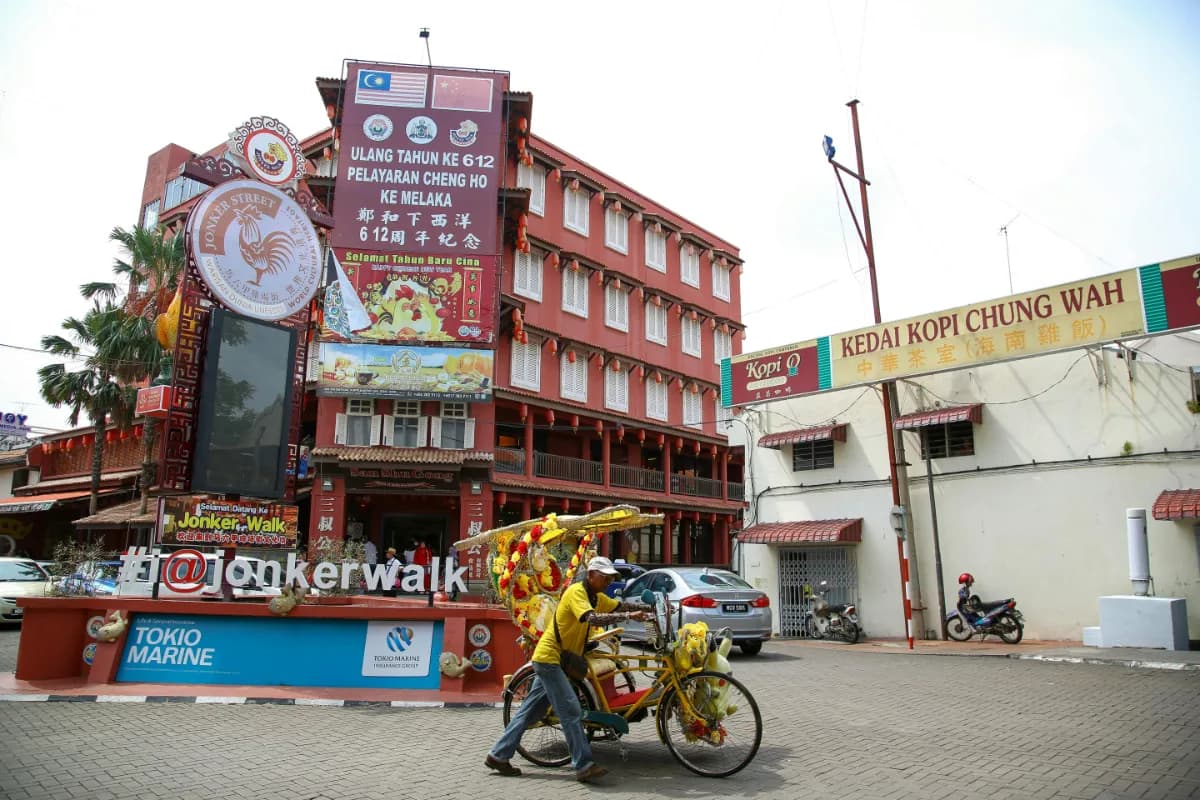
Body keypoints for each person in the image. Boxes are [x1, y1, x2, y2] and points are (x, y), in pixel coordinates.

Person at [485, 556, 652, 784]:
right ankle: (583, 765)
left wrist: (645, 608)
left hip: (560, 660)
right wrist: (628, 616)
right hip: (550, 659)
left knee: (530, 713)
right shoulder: (577, 593)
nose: (608, 582)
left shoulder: (595, 596)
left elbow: (618, 605)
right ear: (591, 575)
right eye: (604, 577)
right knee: (571, 711)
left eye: (610, 578)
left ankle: (498, 755)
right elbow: (591, 618)